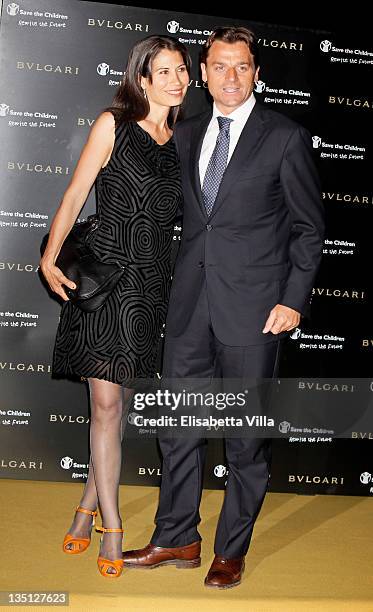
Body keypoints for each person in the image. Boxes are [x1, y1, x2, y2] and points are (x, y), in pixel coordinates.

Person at [122, 26, 325, 588]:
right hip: (188, 307)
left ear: (256, 73)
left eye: (241, 67)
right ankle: (176, 537)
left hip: (256, 312)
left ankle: (230, 550)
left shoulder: (285, 136)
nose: (230, 77)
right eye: (218, 66)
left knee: (243, 439)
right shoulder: (184, 134)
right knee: (179, 429)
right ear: (203, 74)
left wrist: (293, 300)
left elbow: (310, 230)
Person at [39, 35, 191, 578]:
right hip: (105, 281)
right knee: (105, 406)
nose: (175, 80)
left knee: (116, 406)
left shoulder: (182, 140)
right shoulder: (114, 124)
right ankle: (113, 526)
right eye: (163, 71)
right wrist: (50, 255)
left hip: (150, 288)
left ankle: (84, 508)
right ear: (142, 80)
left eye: (181, 70)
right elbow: (77, 192)